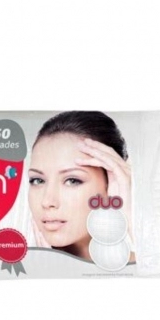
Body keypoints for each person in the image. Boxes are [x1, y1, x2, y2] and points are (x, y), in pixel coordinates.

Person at [27, 110, 133, 261]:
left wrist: (131, 217)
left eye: (72, 180)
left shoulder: (153, 266)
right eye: (38, 180)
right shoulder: (9, 267)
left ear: (111, 185)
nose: (47, 201)